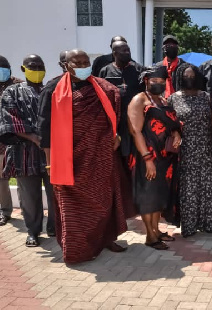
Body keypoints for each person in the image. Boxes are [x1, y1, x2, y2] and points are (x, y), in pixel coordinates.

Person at [38, 49, 130, 264]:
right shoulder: (53, 88)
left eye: (85, 62)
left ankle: (106, 238)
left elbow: (115, 115)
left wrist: (116, 134)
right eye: (77, 62)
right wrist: (50, 161)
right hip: (69, 160)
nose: (82, 66)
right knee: (72, 208)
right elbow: (44, 128)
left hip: (100, 157)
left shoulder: (102, 88)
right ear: (66, 65)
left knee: (104, 201)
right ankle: (77, 248)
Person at [0, 55, 55, 246]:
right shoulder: (12, 92)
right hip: (24, 155)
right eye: (33, 66)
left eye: (41, 66)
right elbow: (9, 119)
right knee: (29, 197)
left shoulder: (51, 90)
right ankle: (33, 230)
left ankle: (54, 228)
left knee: (55, 193)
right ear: (24, 69)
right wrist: (34, 137)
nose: (38, 69)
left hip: (51, 154)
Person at [128, 66, 182, 250]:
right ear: (146, 81)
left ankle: (157, 230)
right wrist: (147, 158)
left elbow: (172, 123)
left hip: (165, 157)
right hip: (148, 155)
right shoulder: (139, 100)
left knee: (159, 195)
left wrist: (176, 134)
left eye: (161, 81)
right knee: (148, 196)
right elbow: (135, 131)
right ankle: (150, 236)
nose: (158, 84)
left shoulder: (163, 100)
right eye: (155, 81)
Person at [170, 63, 212, 237]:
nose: (189, 79)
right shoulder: (173, 98)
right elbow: (168, 122)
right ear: (179, 77)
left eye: (192, 76)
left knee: (208, 184)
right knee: (189, 187)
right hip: (185, 149)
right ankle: (190, 225)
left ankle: (210, 223)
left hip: (206, 146)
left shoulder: (206, 97)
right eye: (186, 76)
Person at [98, 41, 146, 158]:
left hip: (135, 118)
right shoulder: (105, 71)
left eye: (128, 50)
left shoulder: (139, 69)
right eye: (124, 51)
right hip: (115, 119)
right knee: (118, 154)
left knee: (135, 152)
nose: (127, 53)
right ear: (114, 52)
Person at [0, 55, 20, 226]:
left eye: (4, 68)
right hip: (1, 141)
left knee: (22, 176)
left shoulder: (18, 85)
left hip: (18, 139)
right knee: (1, 178)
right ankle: (5, 211)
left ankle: (30, 212)